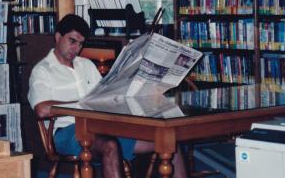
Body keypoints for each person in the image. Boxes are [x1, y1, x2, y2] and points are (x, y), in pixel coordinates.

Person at [28, 14, 187, 177]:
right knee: (110, 145)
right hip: (65, 132)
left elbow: (103, 96)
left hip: (101, 127)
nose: (76, 48)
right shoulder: (42, 70)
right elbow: (41, 110)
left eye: (80, 44)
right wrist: (83, 104)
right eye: (72, 41)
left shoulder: (87, 65)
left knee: (168, 141)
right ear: (58, 37)